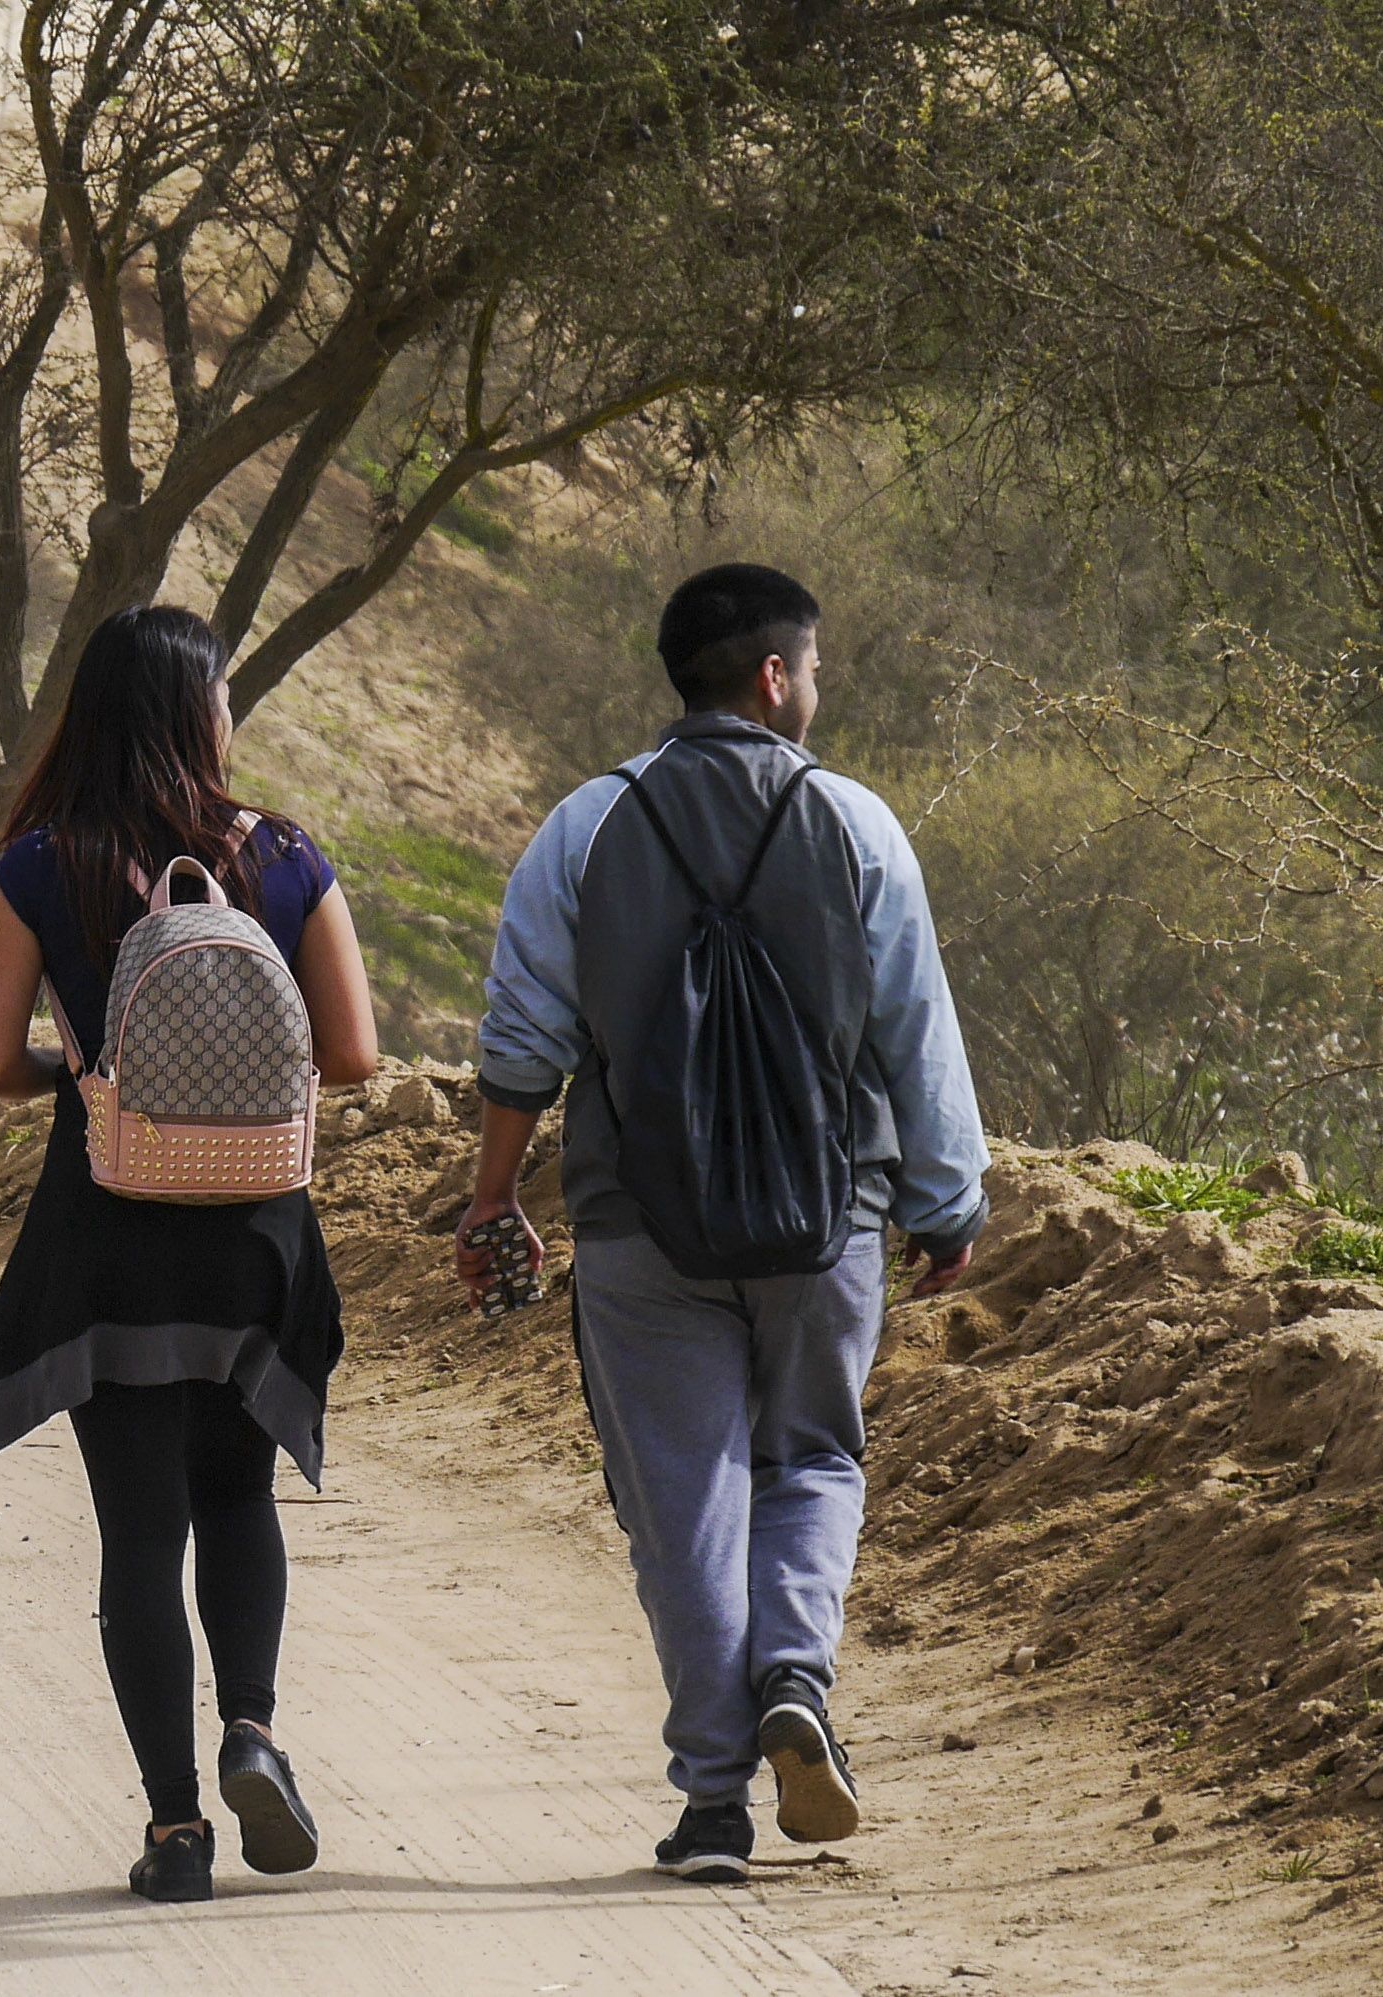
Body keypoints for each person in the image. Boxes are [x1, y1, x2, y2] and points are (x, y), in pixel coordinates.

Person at [456, 562, 989, 1883]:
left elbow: (525, 1042)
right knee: (811, 1456)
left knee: (681, 1495)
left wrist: (493, 1195)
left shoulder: (583, 829)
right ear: (772, 677)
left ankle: (711, 1803)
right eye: (812, 667)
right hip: (829, 1221)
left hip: (643, 1224)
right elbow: (917, 1032)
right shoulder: (857, 825)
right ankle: (796, 1674)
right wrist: (947, 1200)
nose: (817, 689)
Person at [0, 605, 379, 1904]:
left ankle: (177, 1828)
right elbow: (354, 1056)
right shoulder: (288, 856)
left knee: (140, 1532)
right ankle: (253, 1726)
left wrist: (84, 1075)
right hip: (253, 1238)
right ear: (202, 715)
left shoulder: (42, 865)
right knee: (237, 1496)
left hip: (110, 1238)